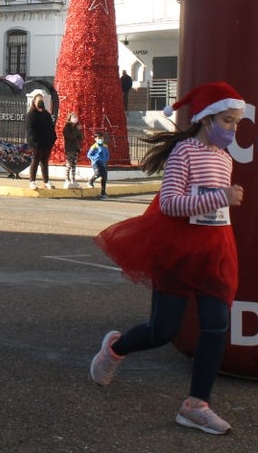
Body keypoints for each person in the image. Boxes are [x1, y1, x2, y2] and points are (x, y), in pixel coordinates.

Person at [89, 81, 247, 435]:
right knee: (162, 331)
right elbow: (172, 203)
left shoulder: (225, 159)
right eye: (227, 120)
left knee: (215, 326)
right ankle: (115, 349)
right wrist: (218, 198)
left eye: (236, 122)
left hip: (216, 250)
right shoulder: (185, 153)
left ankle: (196, 405)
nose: (233, 129)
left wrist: (221, 201)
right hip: (179, 250)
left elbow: (216, 207)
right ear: (206, 119)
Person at [24, 90, 56, 189]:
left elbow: (51, 128)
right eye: (39, 100)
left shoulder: (46, 114)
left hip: (46, 143)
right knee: (35, 161)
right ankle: (32, 181)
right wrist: (33, 143)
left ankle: (46, 181)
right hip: (36, 143)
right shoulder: (31, 114)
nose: (40, 102)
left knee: (45, 162)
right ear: (34, 102)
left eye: (42, 100)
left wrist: (52, 139)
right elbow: (30, 130)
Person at [62, 111, 83, 188]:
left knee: (74, 165)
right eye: (73, 117)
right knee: (69, 164)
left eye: (76, 117)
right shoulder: (66, 128)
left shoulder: (77, 127)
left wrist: (79, 131)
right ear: (69, 118)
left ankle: (73, 180)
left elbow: (81, 138)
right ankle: (66, 179)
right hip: (69, 148)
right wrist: (77, 130)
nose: (75, 118)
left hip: (76, 148)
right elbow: (71, 137)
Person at [86, 132, 110, 198]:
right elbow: (89, 155)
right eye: (99, 138)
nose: (101, 139)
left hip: (103, 163)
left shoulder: (105, 146)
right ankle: (90, 181)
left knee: (104, 178)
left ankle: (103, 192)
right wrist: (95, 158)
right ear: (95, 139)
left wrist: (106, 160)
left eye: (101, 138)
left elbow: (107, 154)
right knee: (98, 173)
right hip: (96, 162)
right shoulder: (94, 146)